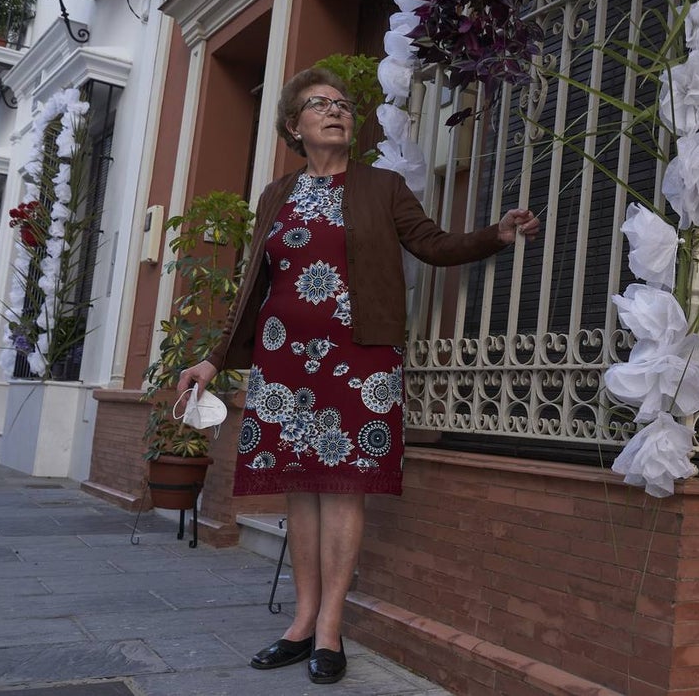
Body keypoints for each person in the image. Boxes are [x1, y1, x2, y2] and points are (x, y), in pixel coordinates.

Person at [177, 66, 540, 685]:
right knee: (302, 486)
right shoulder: (276, 195)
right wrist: (213, 358)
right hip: (283, 355)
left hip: (358, 353)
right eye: (320, 104)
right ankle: (300, 621)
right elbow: (252, 288)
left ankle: (328, 630)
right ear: (295, 125)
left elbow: (432, 244)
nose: (337, 110)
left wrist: (495, 236)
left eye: (343, 103)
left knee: (343, 485)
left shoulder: (383, 187)